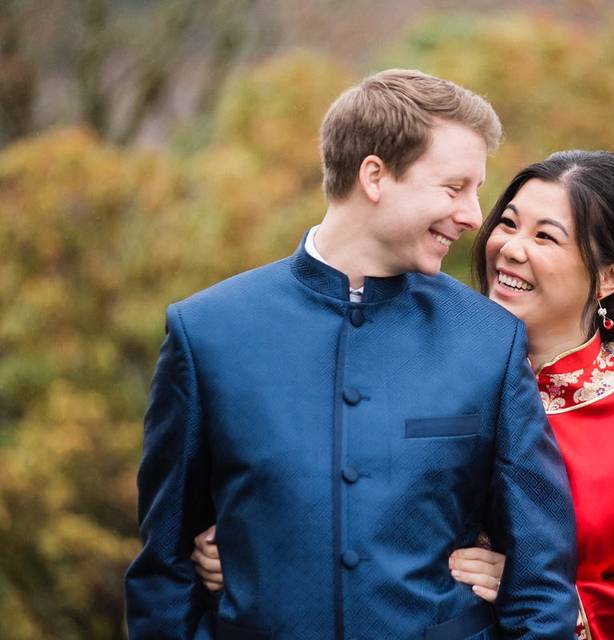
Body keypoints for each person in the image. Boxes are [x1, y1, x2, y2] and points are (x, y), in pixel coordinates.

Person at [125, 69, 579, 640]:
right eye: (454, 187)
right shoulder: (206, 331)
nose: (472, 215)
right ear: (374, 176)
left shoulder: (490, 338)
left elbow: (541, 579)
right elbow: (163, 567)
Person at [193, 151, 614, 639]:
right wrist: (247, 544)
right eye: (508, 223)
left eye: (545, 236)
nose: (511, 248)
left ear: (609, 276)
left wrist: (534, 590)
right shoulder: (416, 354)